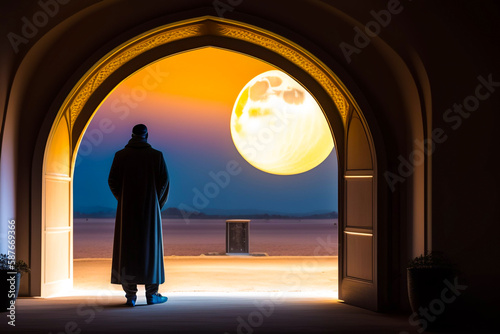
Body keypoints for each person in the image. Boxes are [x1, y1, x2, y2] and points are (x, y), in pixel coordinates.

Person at [108, 124, 169, 306]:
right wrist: (156, 203)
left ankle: (131, 296)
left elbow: (112, 181)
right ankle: (152, 294)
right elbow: (164, 182)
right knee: (151, 249)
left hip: (127, 210)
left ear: (131, 135)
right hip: (150, 210)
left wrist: (123, 198)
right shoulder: (156, 156)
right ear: (147, 135)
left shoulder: (121, 156)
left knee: (128, 249)